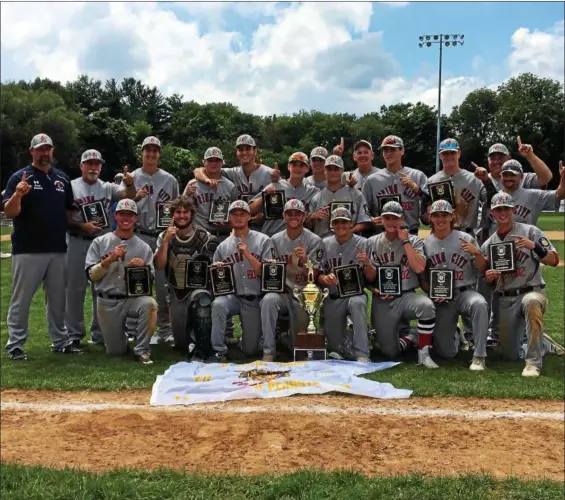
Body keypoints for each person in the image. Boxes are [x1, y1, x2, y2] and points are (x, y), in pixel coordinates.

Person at [2, 134, 82, 360]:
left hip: (57, 248)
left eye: (48, 149)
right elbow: (10, 212)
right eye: (40, 149)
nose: (44, 153)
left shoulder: (62, 179)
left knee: (58, 300)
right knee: (22, 299)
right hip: (28, 249)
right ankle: (15, 344)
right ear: (32, 152)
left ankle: (60, 341)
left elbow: (68, 210)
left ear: (52, 151)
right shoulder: (20, 177)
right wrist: (18, 194)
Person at [477, 192, 561, 377]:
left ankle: (533, 363)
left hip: (532, 290)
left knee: (531, 302)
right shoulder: (489, 244)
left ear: (513, 210)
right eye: (498, 209)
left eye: (506, 208)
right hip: (506, 298)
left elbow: (554, 260)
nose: (503, 213)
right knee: (510, 355)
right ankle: (543, 344)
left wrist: (534, 247)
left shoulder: (530, 231)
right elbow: (489, 282)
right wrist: (489, 278)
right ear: (492, 213)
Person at [65, 149, 136, 346]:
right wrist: (81, 226)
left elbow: (129, 196)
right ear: (81, 166)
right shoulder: (70, 187)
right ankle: (74, 335)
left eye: (97, 164)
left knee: (102, 288)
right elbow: (64, 216)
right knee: (75, 289)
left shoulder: (107, 187)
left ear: (101, 167)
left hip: (102, 242)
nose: (93, 167)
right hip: (78, 240)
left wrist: (129, 182)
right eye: (89, 163)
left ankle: (100, 333)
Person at [85, 199, 157, 365]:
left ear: (135, 218)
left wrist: (139, 270)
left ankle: (142, 350)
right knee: (115, 351)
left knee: (150, 304)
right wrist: (108, 260)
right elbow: (91, 276)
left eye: (130, 215)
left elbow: (149, 282)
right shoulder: (100, 242)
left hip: (132, 299)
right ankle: (122, 337)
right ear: (115, 216)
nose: (126, 218)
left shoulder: (143, 247)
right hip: (108, 300)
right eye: (122, 214)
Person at [367, 201, 438, 368]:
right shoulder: (371, 242)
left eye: (395, 218)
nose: (391, 222)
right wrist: (373, 289)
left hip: (407, 295)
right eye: (387, 218)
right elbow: (366, 277)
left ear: (402, 219)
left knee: (426, 306)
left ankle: (424, 353)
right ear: (381, 220)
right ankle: (411, 336)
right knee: (390, 353)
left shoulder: (415, 240)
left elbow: (420, 268)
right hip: (383, 299)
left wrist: (405, 241)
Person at [123, 136, 179, 344]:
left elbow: (176, 210)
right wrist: (133, 194)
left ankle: (165, 329)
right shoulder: (131, 176)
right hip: (138, 233)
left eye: (155, 150)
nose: (151, 154)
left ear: (159, 154)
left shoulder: (170, 179)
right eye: (148, 150)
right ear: (142, 152)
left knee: (163, 286)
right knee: (134, 281)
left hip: (161, 235)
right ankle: (131, 329)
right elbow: (121, 205)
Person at [422, 200, 489, 371]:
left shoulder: (466, 238)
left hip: (465, 292)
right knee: (446, 353)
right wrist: (430, 291)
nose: (441, 219)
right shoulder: (425, 244)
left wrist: (477, 253)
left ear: (451, 216)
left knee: (480, 304)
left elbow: (482, 269)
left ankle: (479, 356)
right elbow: (423, 277)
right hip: (442, 298)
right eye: (436, 215)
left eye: (444, 215)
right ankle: (458, 336)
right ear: (431, 218)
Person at [209, 200, 276, 362]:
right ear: (229, 218)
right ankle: (218, 350)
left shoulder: (263, 240)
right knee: (218, 304)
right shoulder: (223, 247)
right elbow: (215, 283)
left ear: (249, 217)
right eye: (234, 214)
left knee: (250, 350)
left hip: (254, 299)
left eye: (242, 214)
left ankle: (250, 341)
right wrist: (218, 269)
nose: (238, 218)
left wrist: (248, 254)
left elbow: (268, 275)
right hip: (233, 297)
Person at [154, 196, 218, 359]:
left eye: (185, 212)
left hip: (199, 289)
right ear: (172, 214)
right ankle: (190, 339)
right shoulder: (164, 236)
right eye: (178, 212)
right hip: (176, 292)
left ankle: (203, 350)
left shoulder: (204, 237)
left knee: (203, 303)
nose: (182, 215)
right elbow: (159, 265)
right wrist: (166, 242)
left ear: (192, 214)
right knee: (181, 343)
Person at [260, 199, 324, 360]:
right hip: (282, 292)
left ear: (304, 216)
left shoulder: (314, 240)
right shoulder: (274, 240)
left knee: (300, 348)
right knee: (268, 300)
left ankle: (287, 340)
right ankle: (269, 351)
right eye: (290, 213)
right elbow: (269, 272)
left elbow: (314, 275)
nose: (294, 216)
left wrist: (304, 261)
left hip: (303, 295)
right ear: (284, 216)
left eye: (298, 213)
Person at [317, 207, 372, 362]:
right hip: (333, 297)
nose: (340, 225)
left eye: (344, 222)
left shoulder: (364, 243)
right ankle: (348, 341)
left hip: (355, 294)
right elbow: (317, 273)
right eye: (336, 222)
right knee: (335, 348)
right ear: (331, 225)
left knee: (357, 303)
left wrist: (367, 264)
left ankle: (362, 353)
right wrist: (325, 278)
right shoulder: (324, 243)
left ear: (351, 224)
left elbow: (372, 276)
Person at [192, 134, 276, 228]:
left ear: (255, 151)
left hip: (263, 229)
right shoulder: (232, 172)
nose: (244, 152)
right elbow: (199, 170)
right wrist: (207, 179)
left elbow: (278, 203)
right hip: (238, 228)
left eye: (248, 149)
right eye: (240, 149)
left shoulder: (269, 173)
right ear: (237, 152)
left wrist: (263, 215)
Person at [362, 135, 428, 236]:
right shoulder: (372, 180)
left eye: (392, 150)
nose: (388, 153)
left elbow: (430, 203)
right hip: (382, 234)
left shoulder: (417, 175)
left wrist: (416, 188)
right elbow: (363, 211)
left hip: (410, 233)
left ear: (402, 151)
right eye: (385, 150)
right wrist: (371, 219)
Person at [249, 152, 319, 237]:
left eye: (301, 165)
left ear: (307, 169)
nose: (297, 168)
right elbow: (250, 209)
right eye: (294, 165)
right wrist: (264, 197)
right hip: (271, 236)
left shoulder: (312, 191)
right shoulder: (276, 185)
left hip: (298, 239)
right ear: (289, 167)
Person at [307, 155, 372, 238]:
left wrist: (350, 231)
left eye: (336, 169)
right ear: (324, 171)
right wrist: (313, 216)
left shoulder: (356, 194)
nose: (332, 172)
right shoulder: (316, 198)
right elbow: (307, 226)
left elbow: (365, 222)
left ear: (342, 171)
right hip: (324, 244)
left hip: (350, 244)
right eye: (329, 169)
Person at [182, 147, 238, 242]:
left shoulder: (230, 186)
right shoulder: (192, 184)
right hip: (198, 235)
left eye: (217, 160)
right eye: (210, 160)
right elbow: (182, 209)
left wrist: (230, 219)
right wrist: (187, 195)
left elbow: (236, 213)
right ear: (204, 162)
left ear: (222, 163)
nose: (213, 163)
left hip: (223, 236)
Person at [472, 138, 553, 192]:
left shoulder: (522, 178)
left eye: (500, 157)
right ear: (488, 160)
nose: (496, 161)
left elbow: (546, 177)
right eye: (492, 158)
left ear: (509, 158)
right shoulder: (480, 181)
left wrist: (530, 156)